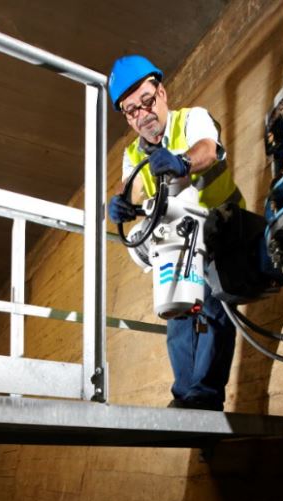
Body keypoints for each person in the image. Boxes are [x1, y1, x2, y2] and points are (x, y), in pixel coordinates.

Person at [107, 54, 245, 411]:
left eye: (147, 102)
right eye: (132, 110)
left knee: (214, 307)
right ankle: (185, 395)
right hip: (181, 241)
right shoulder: (134, 154)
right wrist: (121, 203)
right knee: (178, 312)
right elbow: (131, 188)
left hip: (221, 227)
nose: (143, 114)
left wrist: (182, 162)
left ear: (162, 92)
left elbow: (207, 151)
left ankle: (206, 395)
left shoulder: (192, 119)